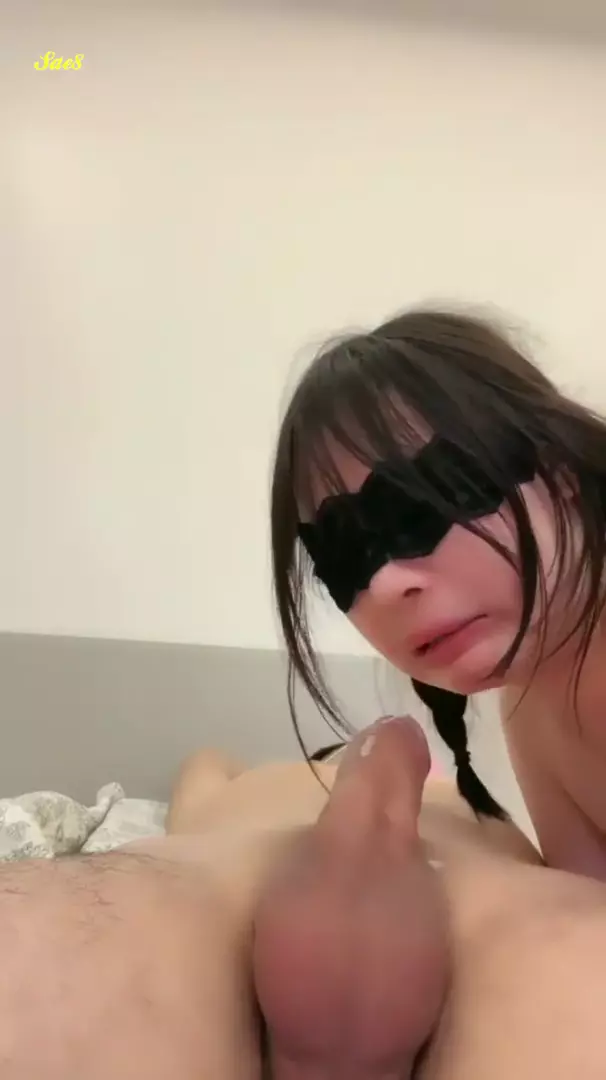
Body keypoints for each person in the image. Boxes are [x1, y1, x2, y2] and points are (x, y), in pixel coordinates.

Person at [1, 719, 606, 1078]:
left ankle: (357, 815)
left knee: (192, 868)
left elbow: (202, 770)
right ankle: (383, 814)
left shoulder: (261, 785)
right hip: (473, 881)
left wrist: (216, 772)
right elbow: (552, 860)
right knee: (514, 893)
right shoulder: (471, 802)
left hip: (231, 877)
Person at [270, 306, 606, 876]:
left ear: (560, 470)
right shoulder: (529, 707)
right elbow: (586, 910)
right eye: (343, 555)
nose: (383, 584)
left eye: (421, 504)